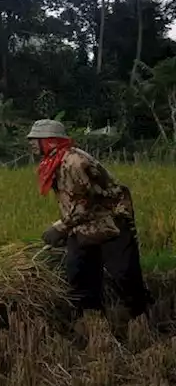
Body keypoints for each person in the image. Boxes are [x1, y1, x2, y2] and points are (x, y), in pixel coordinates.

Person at [27, 119, 151, 318]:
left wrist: (60, 227)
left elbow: (85, 203)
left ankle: (141, 319)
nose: (31, 143)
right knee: (79, 275)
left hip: (111, 222)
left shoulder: (73, 162)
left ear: (50, 141)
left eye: (36, 139)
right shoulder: (56, 161)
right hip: (84, 225)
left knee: (124, 275)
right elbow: (73, 202)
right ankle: (91, 322)